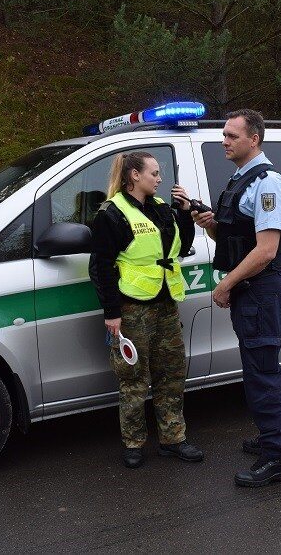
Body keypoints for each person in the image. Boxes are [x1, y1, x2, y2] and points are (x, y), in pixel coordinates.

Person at [191, 108, 281, 487]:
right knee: (259, 368)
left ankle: (279, 458)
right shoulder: (241, 179)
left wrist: (225, 284)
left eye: (232, 136)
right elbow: (240, 241)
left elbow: (266, 250)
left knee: (262, 372)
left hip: (259, 290)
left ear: (254, 139)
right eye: (224, 135)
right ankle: (275, 438)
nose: (225, 141)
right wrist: (213, 225)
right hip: (251, 290)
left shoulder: (268, 184)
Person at [89, 151, 204, 469]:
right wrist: (111, 312)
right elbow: (100, 267)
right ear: (134, 176)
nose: (160, 178)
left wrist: (184, 213)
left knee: (172, 375)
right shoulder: (111, 213)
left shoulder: (162, 209)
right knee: (134, 379)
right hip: (132, 309)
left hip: (166, 306)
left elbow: (180, 247)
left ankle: (173, 440)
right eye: (154, 172)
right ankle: (133, 443)